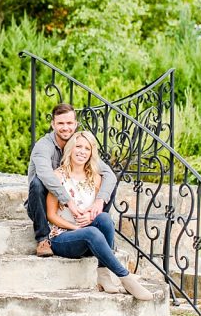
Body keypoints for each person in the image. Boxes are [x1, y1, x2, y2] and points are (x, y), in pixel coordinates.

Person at [46, 130, 153, 301]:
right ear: (70, 149)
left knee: (104, 218)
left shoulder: (94, 178)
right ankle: (126, 278)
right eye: (78, 147)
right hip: (62, 237)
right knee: (92, 232)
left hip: (87, 234)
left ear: (91, 153)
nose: (82, 152)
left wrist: (89, 217)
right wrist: (75, 227)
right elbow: (51, 215)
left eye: (87, 148)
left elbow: (94, 210)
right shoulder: (58, 176)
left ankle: (103, 275)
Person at [26, 104, 115, 257]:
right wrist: (68, 201)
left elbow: (110, 174)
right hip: (43, 205)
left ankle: (97, 225)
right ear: (53, 124)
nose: (65, 128)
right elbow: (46, 175)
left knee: (108, 184)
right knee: (38, 182)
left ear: (75, 124)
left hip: (73, 207)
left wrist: (99, 201)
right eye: (60, 123)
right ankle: (43, 239)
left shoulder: (77, 145)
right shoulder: (43, 146)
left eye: (69, 123)